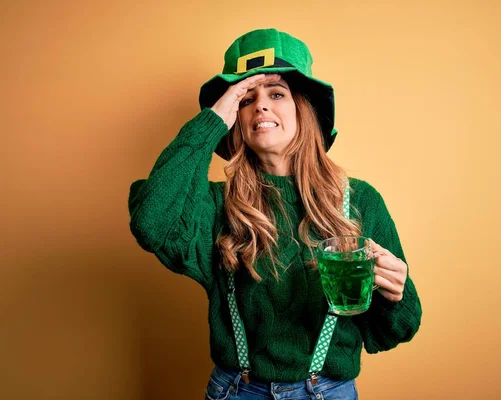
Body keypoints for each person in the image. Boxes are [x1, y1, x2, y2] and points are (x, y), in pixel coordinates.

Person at [128, 28, 422, 400]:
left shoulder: (360, 201)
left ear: (306, 108)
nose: (260, 106)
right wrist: (213, 118)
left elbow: (399, 328)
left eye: (276, 94)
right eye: (246, 98)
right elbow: (151, 221)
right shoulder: (217, 206)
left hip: (328, 393)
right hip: (237, 391)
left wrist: (393, 294)